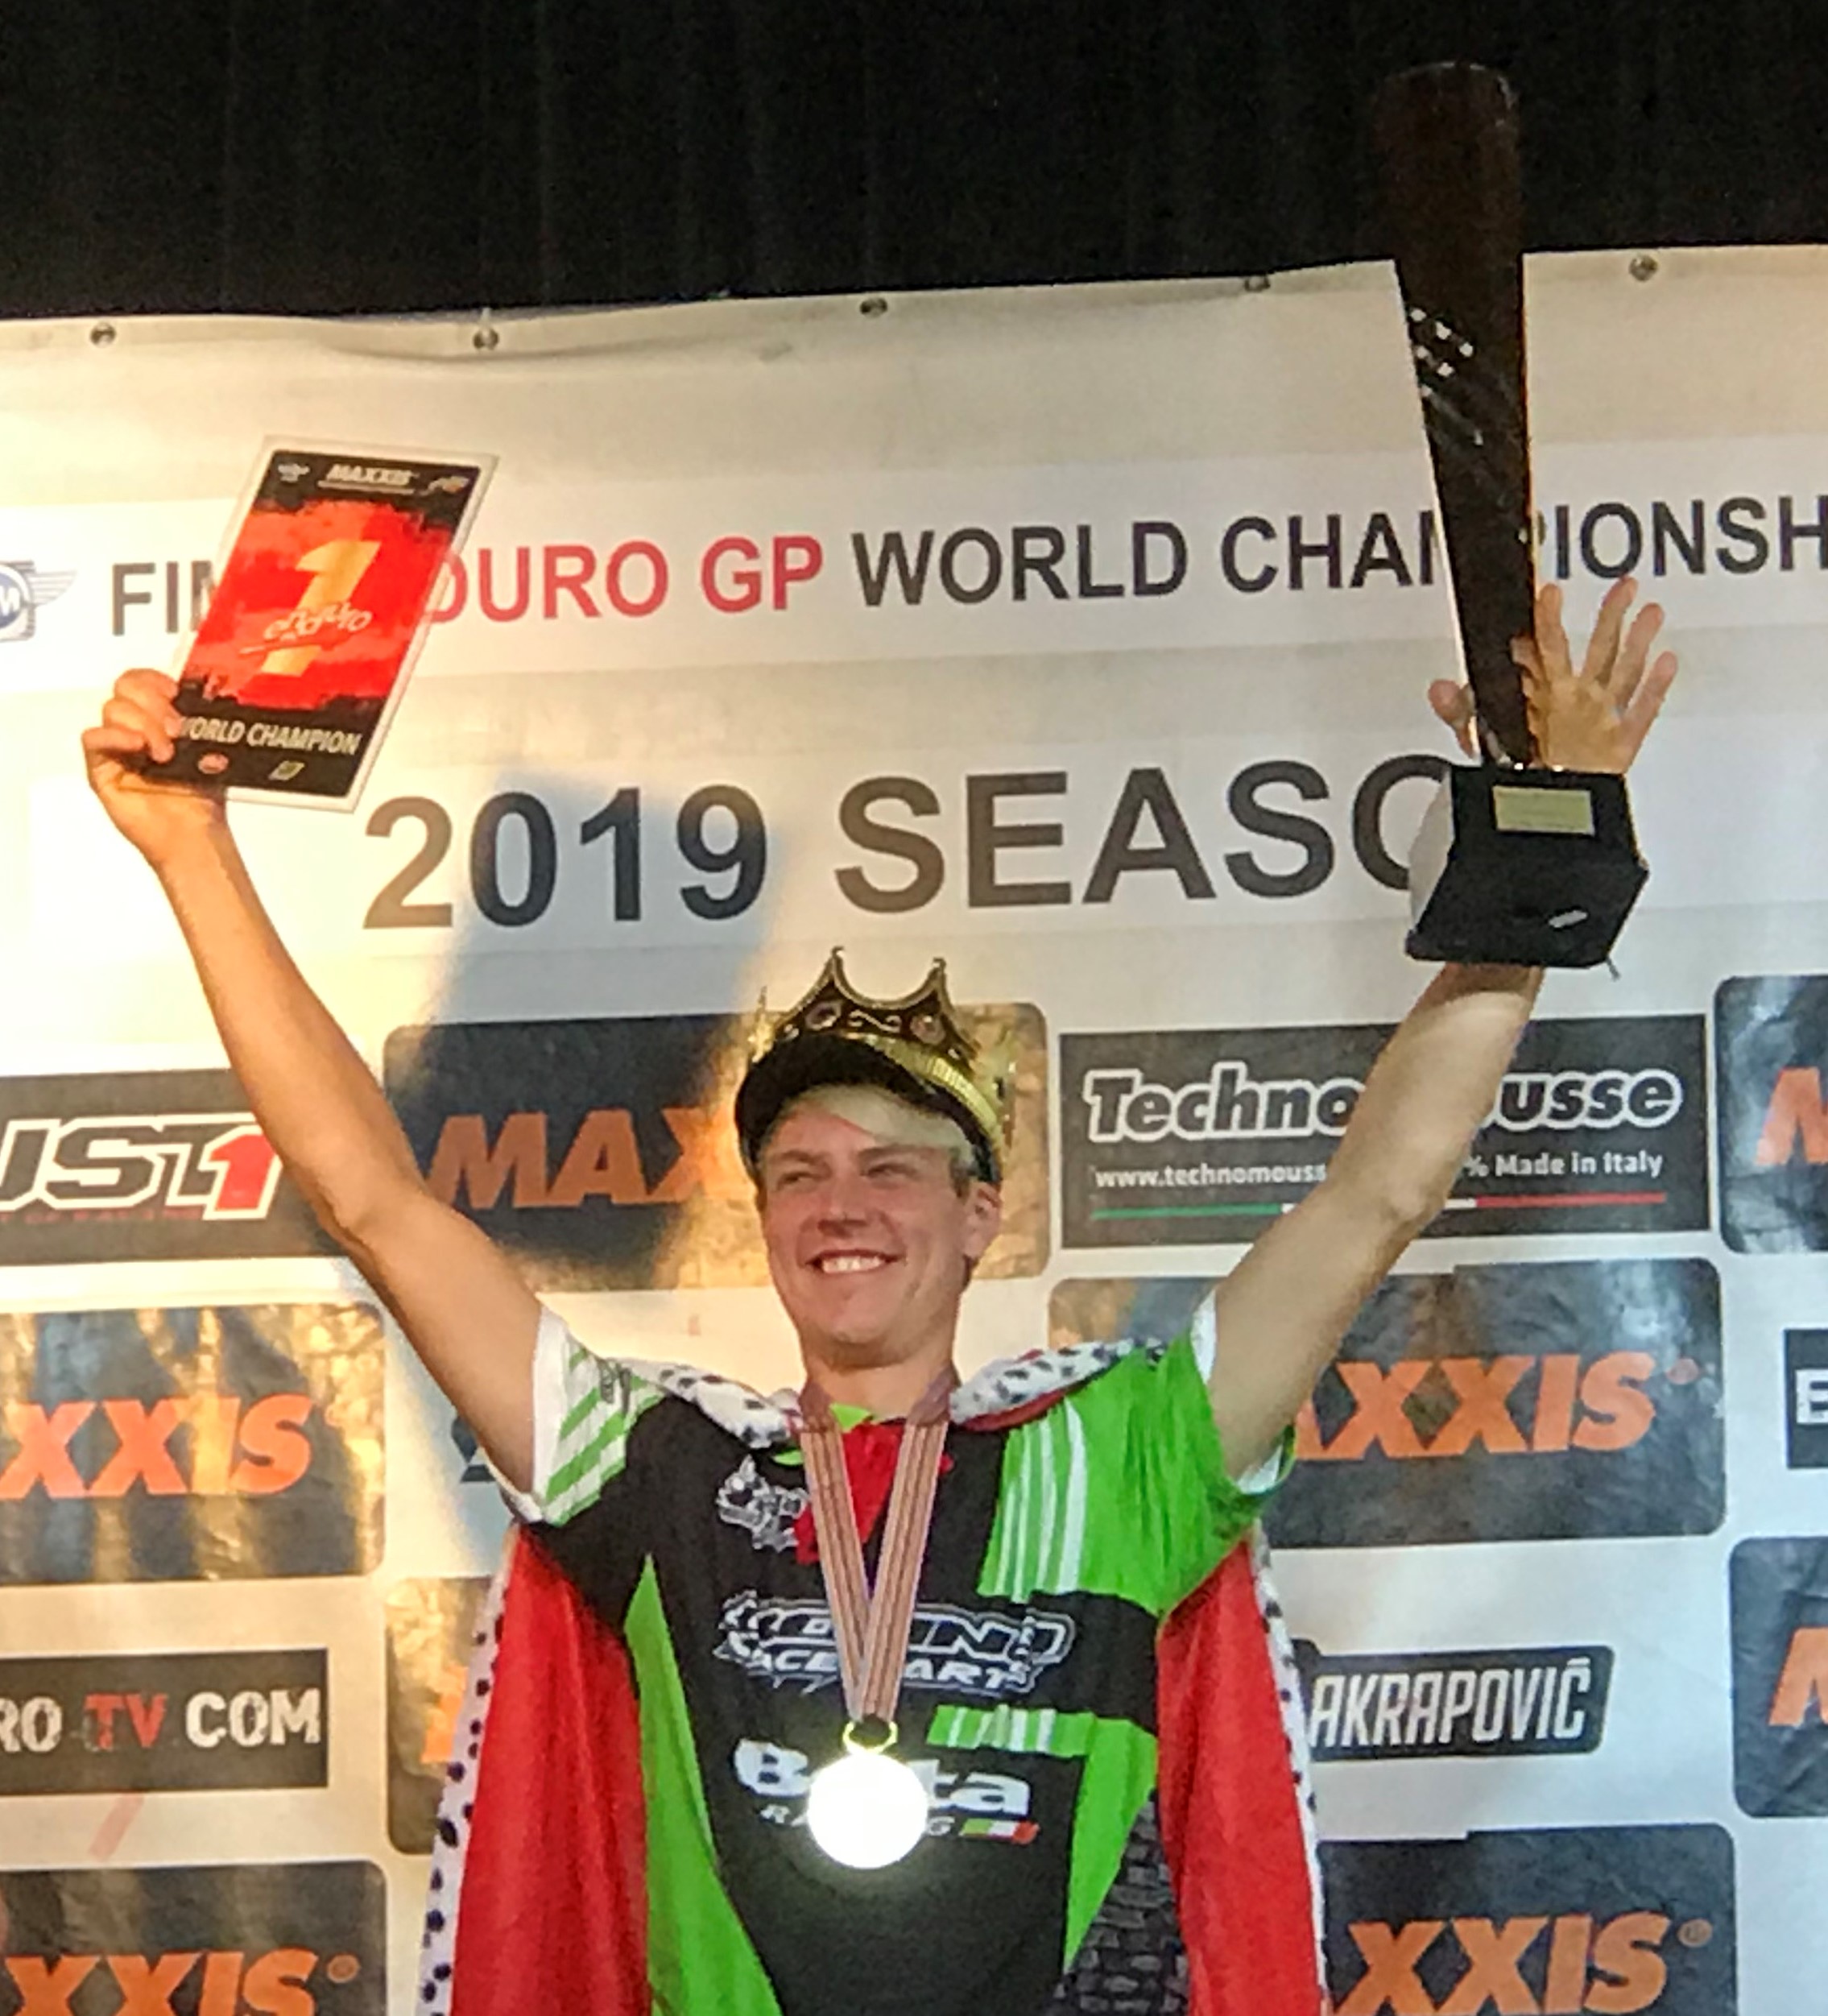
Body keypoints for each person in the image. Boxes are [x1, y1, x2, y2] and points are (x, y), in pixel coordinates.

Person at [81, 577, 1674, 2016]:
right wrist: (192, 851)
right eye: (800, 1173)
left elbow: (1375, 1196)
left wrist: (1542, 851)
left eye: (893, 1168)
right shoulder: (657, 1468)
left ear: (982, 1215)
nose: (842, 1205)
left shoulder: (1122, 1454)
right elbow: (377, 1206)